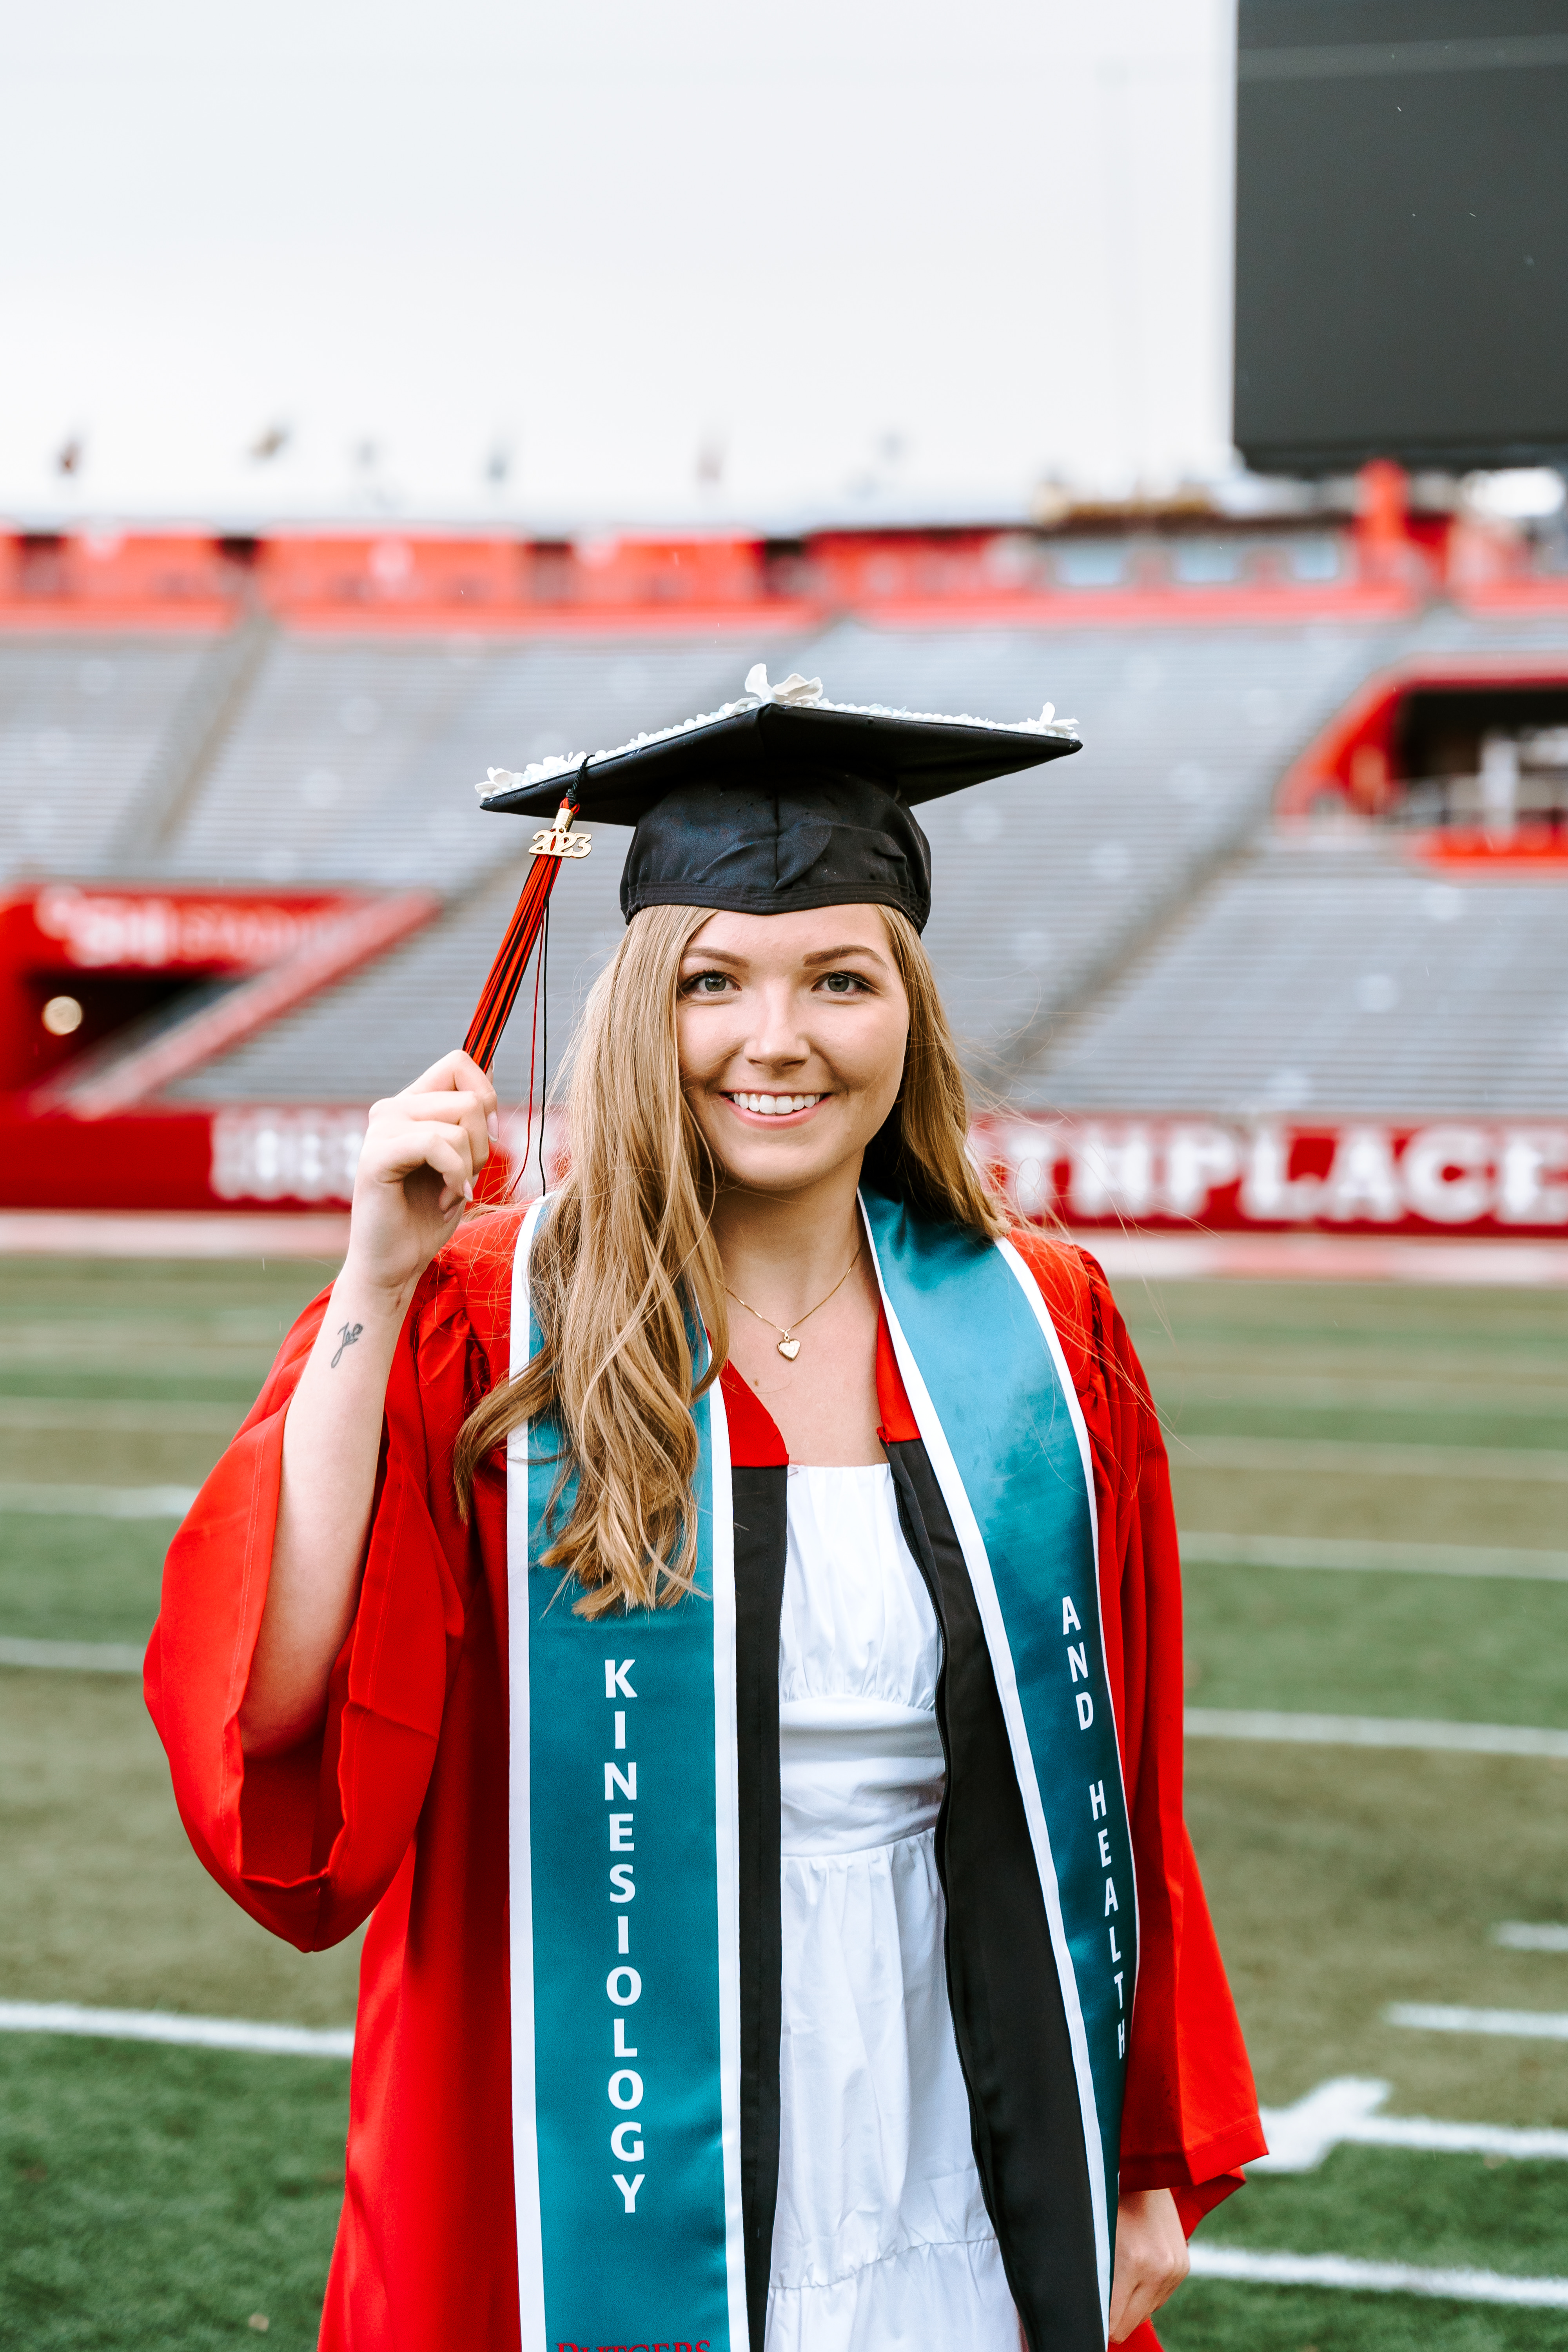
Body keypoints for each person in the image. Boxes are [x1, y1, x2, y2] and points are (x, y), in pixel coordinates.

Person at [148, 670, 1264, 2352]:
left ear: (911, 1005)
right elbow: (282, 1700)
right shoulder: (489, 1318)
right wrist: (369, 1281)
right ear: (640, 1010)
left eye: (840, 979)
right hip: (589, 2105)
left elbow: (1118, 1780)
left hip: (960, 2079)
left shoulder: (1041, 1331)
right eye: (715, 982)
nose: (778, 1040)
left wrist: (1142, 2150)